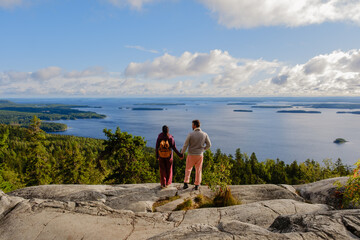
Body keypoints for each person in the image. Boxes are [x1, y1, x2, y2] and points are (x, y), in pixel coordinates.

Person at [181, 119, 211, 190]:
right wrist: (203, 149)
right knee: (198, 170)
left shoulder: (190, 134)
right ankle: (197, 185)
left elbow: (185, 145)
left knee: (188, 169)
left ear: (194, 125)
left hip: (191, 154)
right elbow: (209, 145)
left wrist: (182, 153)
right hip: (199, 155)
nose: (192, 126)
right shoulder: (204, 134)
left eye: (192, 125)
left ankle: (186, 183)